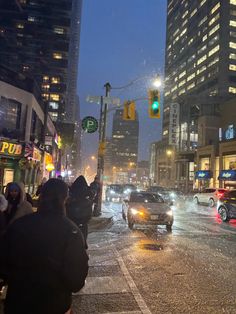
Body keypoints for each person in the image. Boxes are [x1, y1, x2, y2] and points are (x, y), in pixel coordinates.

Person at [0, 178, 89, 314]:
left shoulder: (19, 225)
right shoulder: (71, 231)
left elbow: (3, 264)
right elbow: (76, 280)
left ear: (42, 196)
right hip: (54, 304)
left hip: (18, 303)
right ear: (65, 198)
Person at [66, 175, 93, 249]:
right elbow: (89, 216)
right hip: (82, 227)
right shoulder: (87, 202)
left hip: (71, 226)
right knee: (81, 245)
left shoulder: (70, 201)